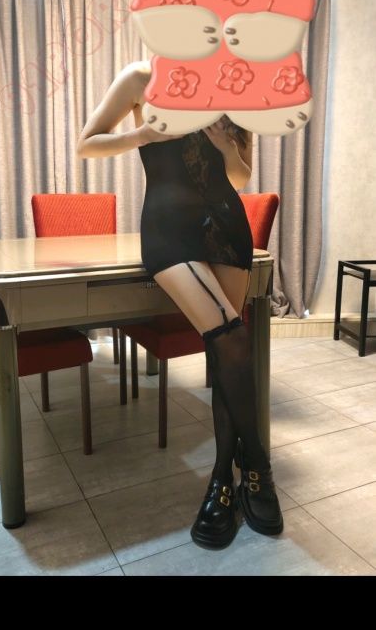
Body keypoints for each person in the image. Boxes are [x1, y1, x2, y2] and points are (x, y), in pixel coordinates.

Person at [77, 61, 283, 550]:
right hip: (167, 227)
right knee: (232, 338)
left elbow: (241, 176)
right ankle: (256, 465)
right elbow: (87, 143)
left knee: (224, 349)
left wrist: (225, 146)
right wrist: (143, 134)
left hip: (226, 226)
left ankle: (222, 482)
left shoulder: (237, 85)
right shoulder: (140, 78)